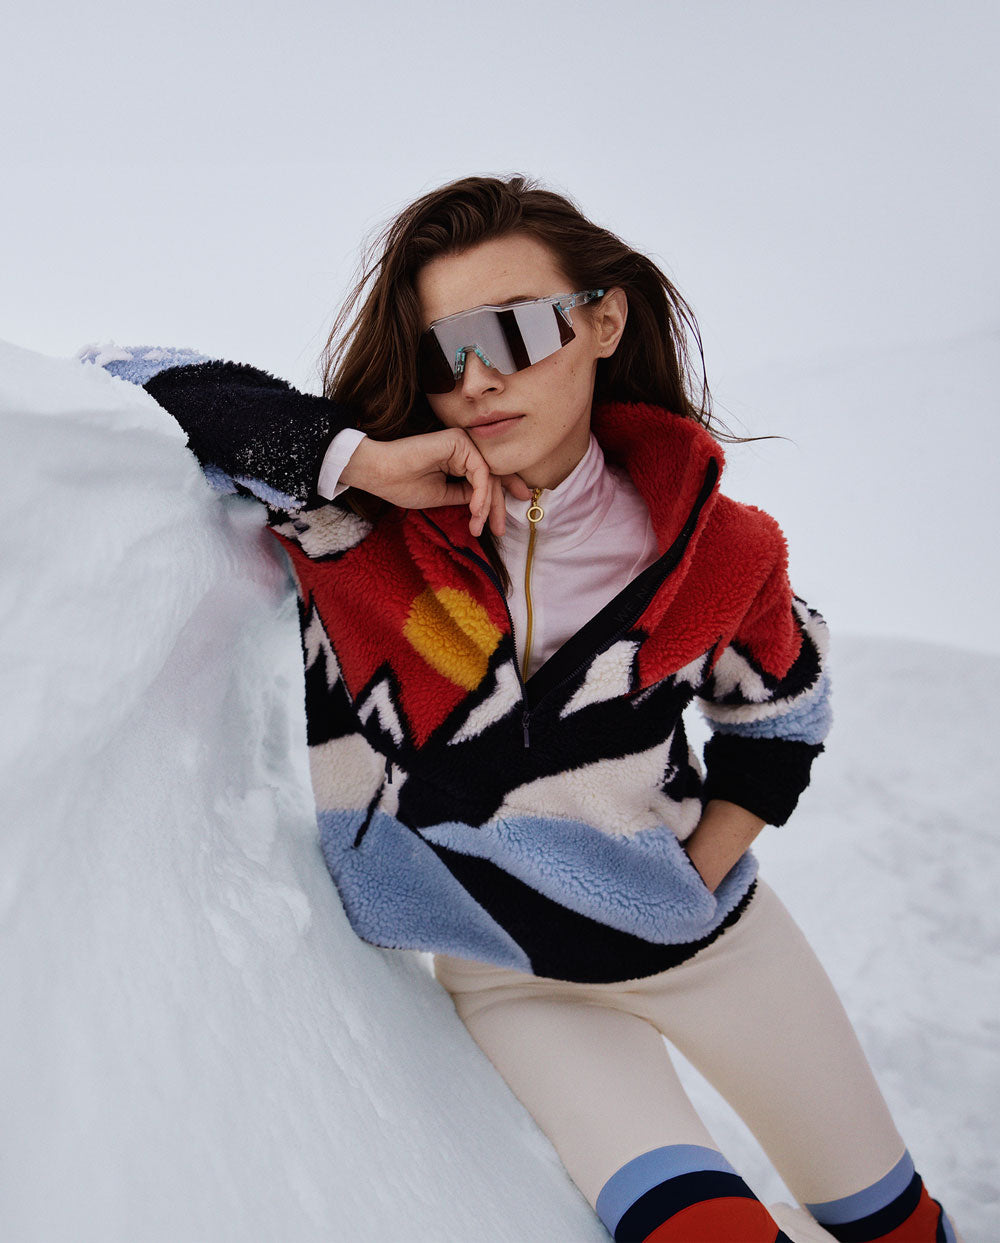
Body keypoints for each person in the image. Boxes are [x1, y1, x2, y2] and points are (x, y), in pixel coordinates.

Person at [81, 175, 960, 1243]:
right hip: (517, 978)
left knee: (896, 1228)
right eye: (441, 351)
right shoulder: (353, 521)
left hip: (719, 953)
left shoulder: (718, 546)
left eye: (514, 328)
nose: (479, 377)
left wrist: (699, 870)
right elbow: (121, 376)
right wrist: (359, 459)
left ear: (601, 320)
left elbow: (780, 711)